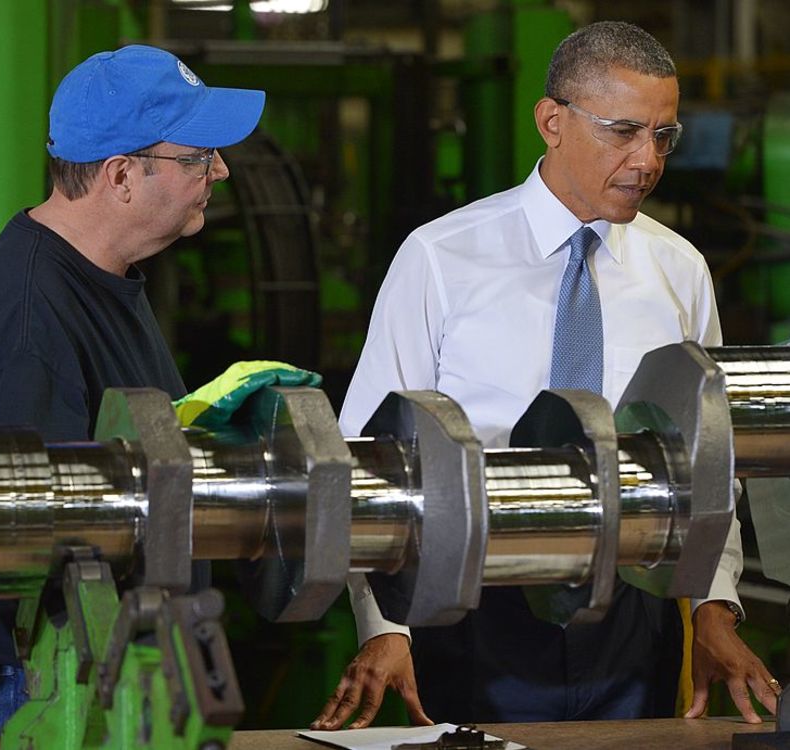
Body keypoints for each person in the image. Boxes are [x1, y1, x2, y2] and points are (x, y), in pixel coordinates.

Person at [312, 21, 781, 730]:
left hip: (632, 616)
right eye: (623, 131)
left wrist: (711, 608)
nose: (646, 160)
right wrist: (386, 627)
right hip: (473, 608)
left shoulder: (677, 270)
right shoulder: (441, 259)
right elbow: (371, 463)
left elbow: (712, 465)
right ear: (552, 122)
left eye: (663, 136)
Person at [0, 44, 265, 739]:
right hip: (27, 680)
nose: (220, 169)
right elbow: (30, 549)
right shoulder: (30, 318)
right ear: (122, 175)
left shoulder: (100, 279)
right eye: (197, 157)